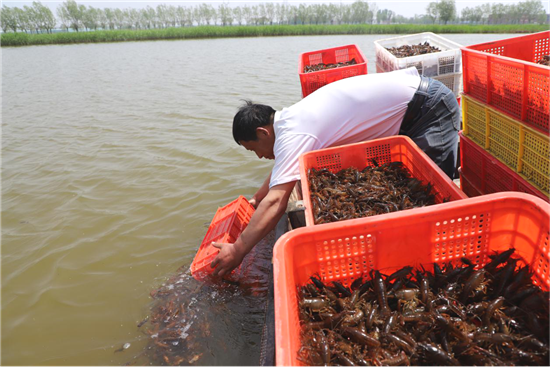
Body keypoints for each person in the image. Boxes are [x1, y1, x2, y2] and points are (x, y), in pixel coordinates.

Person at [211, 67, 461, 277]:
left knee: (433, 198)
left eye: (253, 149)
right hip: (412, 107)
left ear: (262, 133)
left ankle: (446, 258)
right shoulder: (290, 121)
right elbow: (281, 173)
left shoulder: (295, 133)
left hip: (429, 109)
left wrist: (237, 250)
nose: (259, 156)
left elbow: (278, 200)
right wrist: (258, 198)